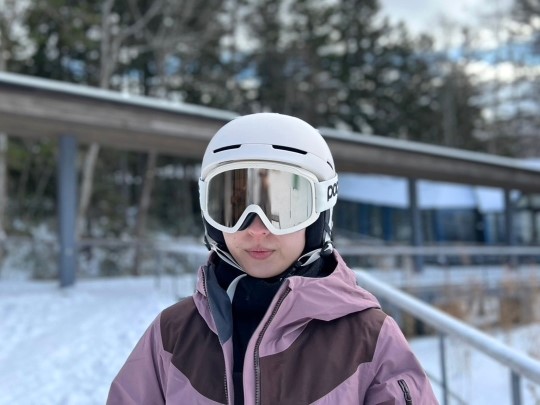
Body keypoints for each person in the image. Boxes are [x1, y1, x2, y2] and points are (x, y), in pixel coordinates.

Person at [107, 113, 439, 404]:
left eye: (283, 209)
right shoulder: (172, 334)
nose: (256, 229)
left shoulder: (368, 339)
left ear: (319, 213)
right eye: (235, 208)